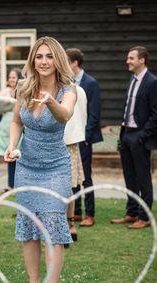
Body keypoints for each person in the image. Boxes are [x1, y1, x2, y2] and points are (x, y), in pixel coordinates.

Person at [4, 36, 76, 283]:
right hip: (27, 168)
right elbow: (16, 121)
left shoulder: (68, 90)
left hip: (56, 168)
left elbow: (65, 116)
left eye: (49, 56)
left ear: (57, 60)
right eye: (39, 56)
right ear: (33, 60)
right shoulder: (24, 87)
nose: (43, 61)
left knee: (53, 231)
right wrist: (11, 146)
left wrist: (51, 102)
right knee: (29, 232)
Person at [111, 46, 157, 229]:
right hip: (126, 134)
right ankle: (132, 212)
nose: (127, 61)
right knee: (129, 177)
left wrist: (142, 136)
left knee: (143, 178)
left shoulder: (152, 82)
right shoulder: (132, 79)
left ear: (142, 60)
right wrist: (121, 136)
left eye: (131, 58)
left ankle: (144, 217)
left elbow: (155, 114)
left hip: (140, 136)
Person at [66, 48, 103, 226]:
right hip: (71, 136)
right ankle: (77, 211)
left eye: (66, 61)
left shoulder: (91, 83)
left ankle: (90, 213)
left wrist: (85, 137)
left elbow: (94, 114)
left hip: (84, 138)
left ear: (74, 63)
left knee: (86, 177)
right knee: (74, 176)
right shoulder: (67, 83)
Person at [63, 85, 87, 244]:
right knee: (69, 187)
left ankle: (68, 225)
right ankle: (70, 226)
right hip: (71, 140)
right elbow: (83, 117)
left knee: (67, 187)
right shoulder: (79, 89)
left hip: (66, 141)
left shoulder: (74, 90)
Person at [0, 68, 22, 192]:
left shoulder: (22, 90)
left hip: (20, 125)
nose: (11, 79)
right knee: (10, 156)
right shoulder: (5, 91)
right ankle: (10, 185)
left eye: (14, 77)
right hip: (6, 126)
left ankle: (21, 185)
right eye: (10, 77)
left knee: (21, 156)